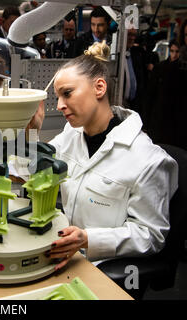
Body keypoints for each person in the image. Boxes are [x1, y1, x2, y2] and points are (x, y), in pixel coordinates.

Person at [34, 41, 178, 270]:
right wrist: (31, 131)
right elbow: (31, 171)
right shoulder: (71, 134)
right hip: (63, 256)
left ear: (99, 88)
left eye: (67, 94)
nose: (60, 105)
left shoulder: (147, 159)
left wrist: (89, 239)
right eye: (58, 97)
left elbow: (150, 235)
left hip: (102, 267)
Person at [123, 28, 148, 117]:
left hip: (134, 105)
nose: (132, 38)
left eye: (134, 35)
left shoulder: (136, 54)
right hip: (119, 103)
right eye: (129, 34)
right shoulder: (114, 55)